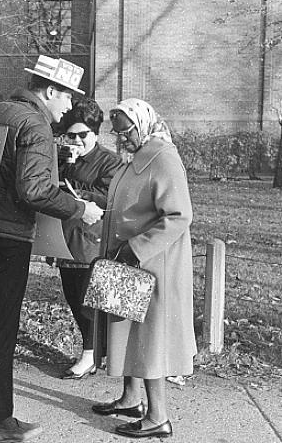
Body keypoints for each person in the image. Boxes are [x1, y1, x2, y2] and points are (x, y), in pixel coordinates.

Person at [0, 56, 104, 443]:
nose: (68, 107)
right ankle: (3, 421)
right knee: (2, 324)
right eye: (67, 97)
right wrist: (79, 208)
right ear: (50, 91)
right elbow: (34, 190)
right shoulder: (34, 124)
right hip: (10, 238)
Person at [91, 98, 196, 439]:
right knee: (128, 331)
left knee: (151, 341)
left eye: (126, 131)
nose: (120, 138)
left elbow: (180, 215)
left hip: (153, 265)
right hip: (130, 262)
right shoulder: (133, 157)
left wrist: (136, 249)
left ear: (144, 124)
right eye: (117, 131)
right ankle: (131, 399)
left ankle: (158, 418)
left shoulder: (163, 157)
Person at [51, 97, 122, 379]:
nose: (77, 141)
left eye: (84, 135)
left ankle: (90, 355)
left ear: (95, 134)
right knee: (72, 297)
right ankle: (95, 351)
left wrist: (74, 191)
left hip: (92, 242)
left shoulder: (108, 162)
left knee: (87, 301)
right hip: (65, 238)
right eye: (72, 135)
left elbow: (109, 199)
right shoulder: (63, 158)